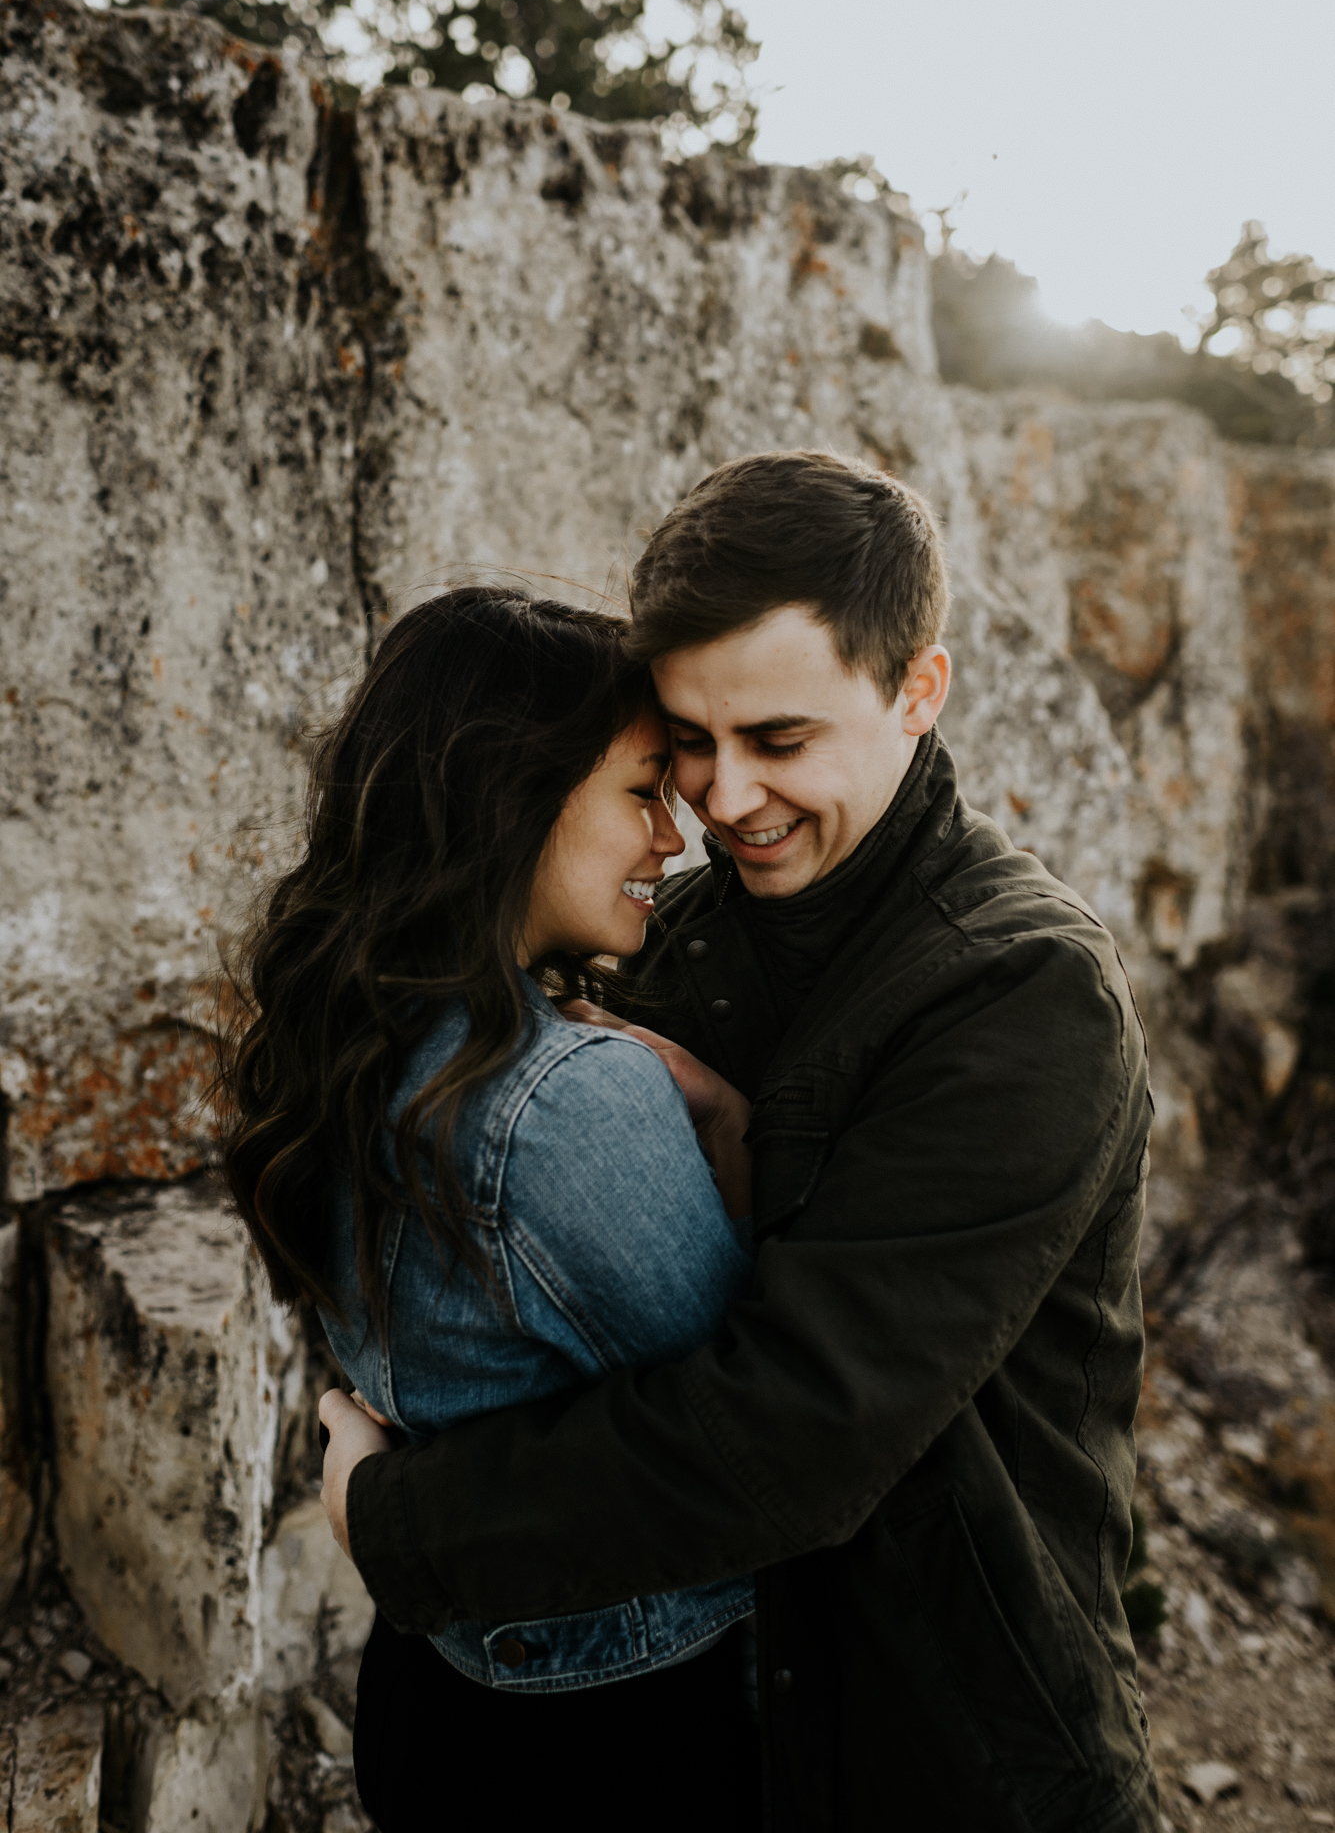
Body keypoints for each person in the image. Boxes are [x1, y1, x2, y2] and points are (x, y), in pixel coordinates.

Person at [322, 451, 1161, 1833]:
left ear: (916, 690)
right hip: (718, 1721)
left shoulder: (1017, 990)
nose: (718, 800)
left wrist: (398, 1525)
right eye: (687, 744)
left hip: (942, 1734)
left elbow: (801, 1423)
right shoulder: (683, 932)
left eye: (776, 740)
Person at [218, 588, 769, 1831]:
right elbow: (763, 1429)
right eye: (642, 790)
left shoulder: (352, 1033)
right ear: (512, 800)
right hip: (617, 1729)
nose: (675, 840)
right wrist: (731, 1129)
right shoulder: (563, 1097)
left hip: (439, 1684)